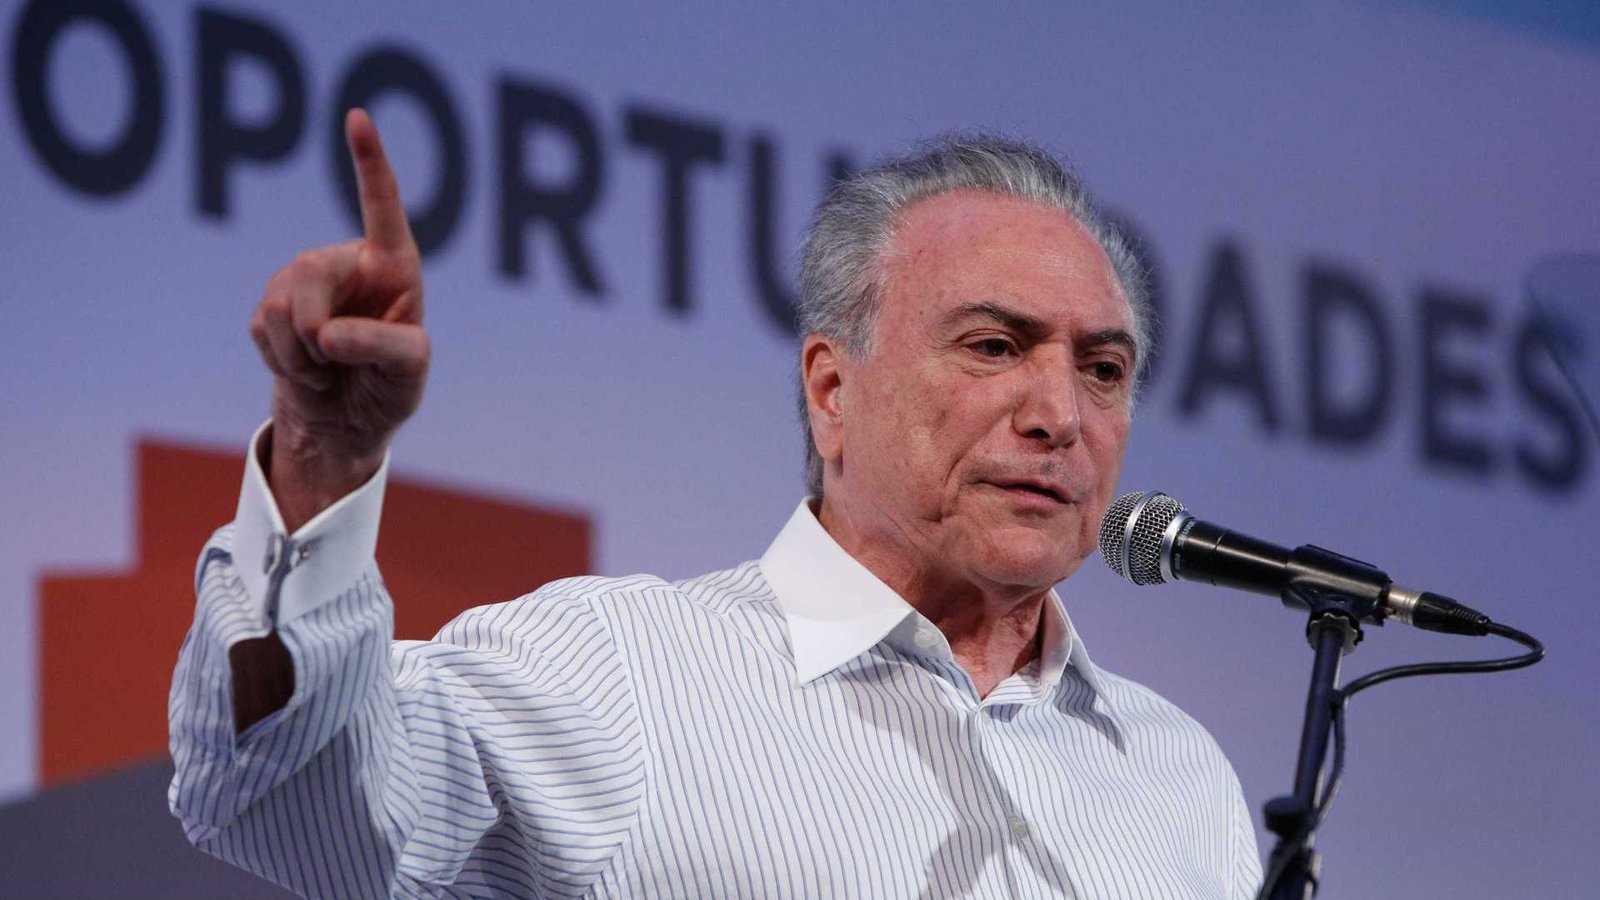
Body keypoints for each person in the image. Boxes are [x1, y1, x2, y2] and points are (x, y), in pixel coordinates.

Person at [169, 109, 1262, 899]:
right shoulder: (618, 670)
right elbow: (290, 803)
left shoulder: (1178, 773)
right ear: (832, 390)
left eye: (1103, 370)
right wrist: (321, 456)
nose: (1059, 414)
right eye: (993, 346)